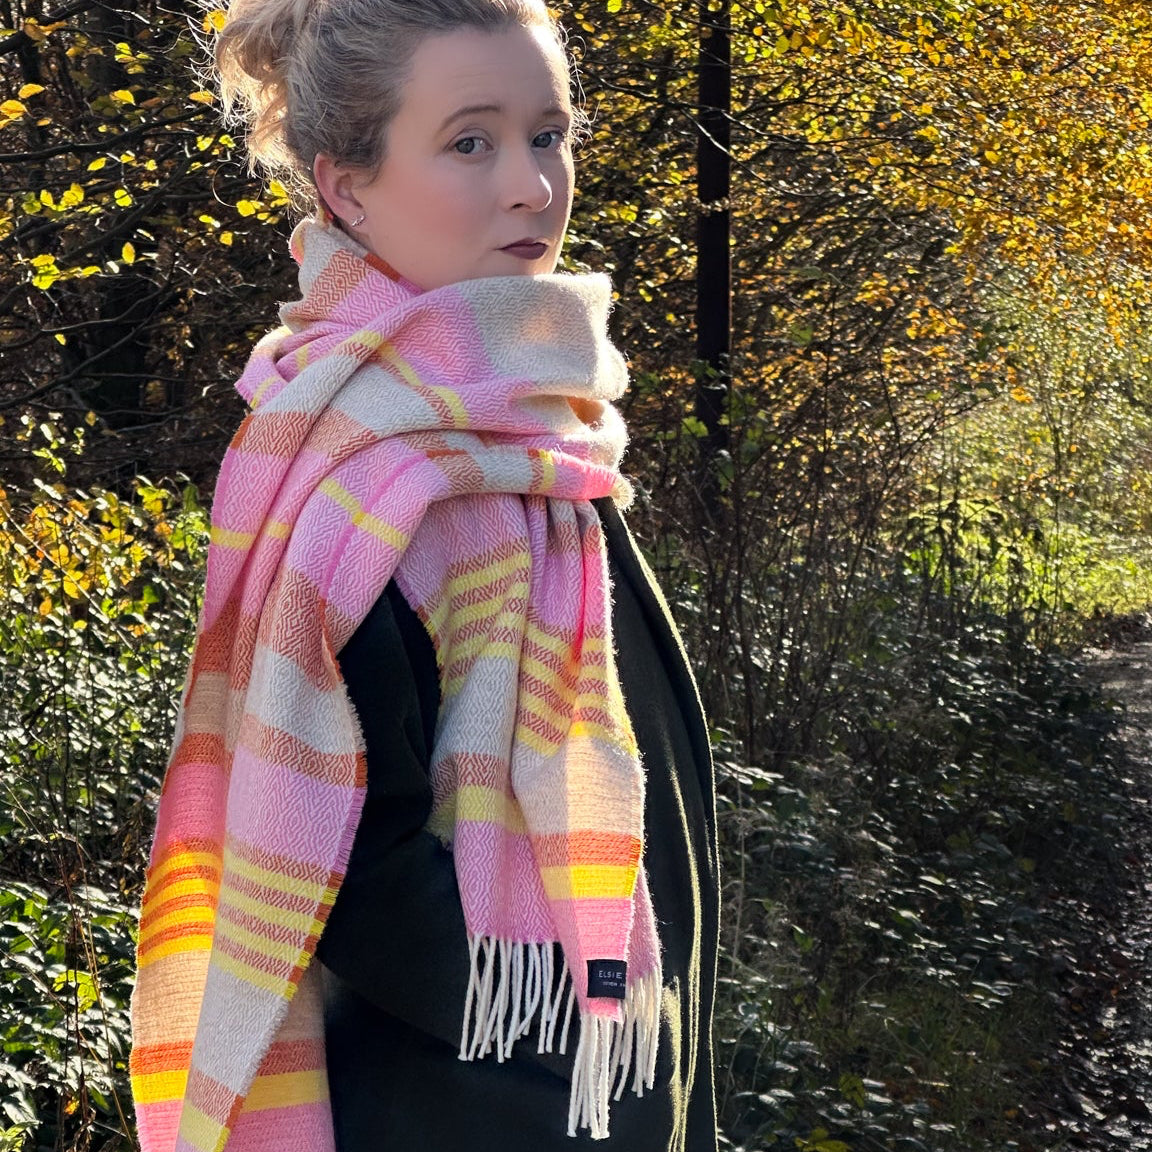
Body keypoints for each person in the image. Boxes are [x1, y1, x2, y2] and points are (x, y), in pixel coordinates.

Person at [128, 1, 719, 1149]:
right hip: (477, 1103)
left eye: (548, 134)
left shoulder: (545, 434)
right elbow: (341, 859)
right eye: (470, 141)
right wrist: (564, 1029)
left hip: (617, 1077)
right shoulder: (361, 468)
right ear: (347, 186)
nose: (531, 185)